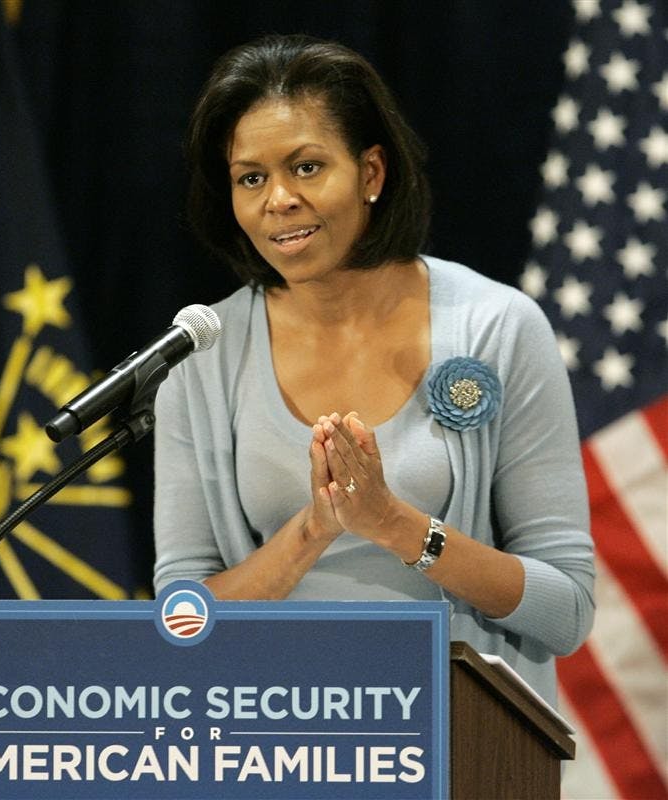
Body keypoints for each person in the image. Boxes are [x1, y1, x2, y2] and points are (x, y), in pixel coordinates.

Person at [153, 34, 595, 707]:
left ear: (371, 173)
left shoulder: (496, 327)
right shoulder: (202, 358)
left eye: (305, 168)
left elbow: (564, 611)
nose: (277, 200)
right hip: (268, 739)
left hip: (464, 736)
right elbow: (179, 619)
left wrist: (393, 524)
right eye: (251, 178)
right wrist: (314, 528)